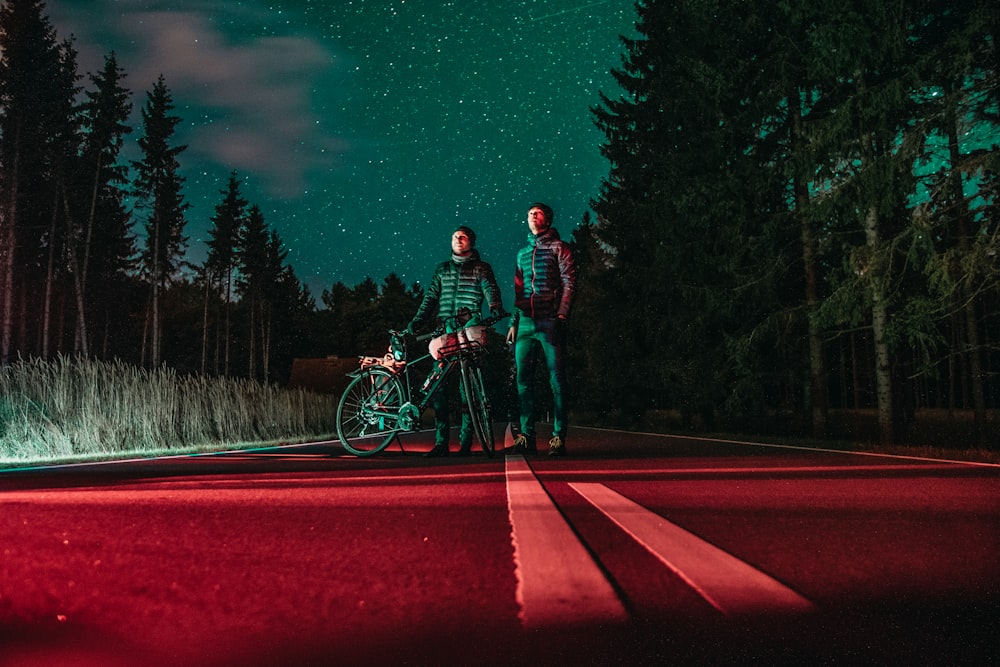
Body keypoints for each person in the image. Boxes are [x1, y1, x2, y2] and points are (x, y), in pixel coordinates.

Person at [407, 226, 504, 457]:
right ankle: (441, 443)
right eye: (454, 237)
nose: (458, 240)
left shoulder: (482, 268)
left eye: (463, 237)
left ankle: (465, 443)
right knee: (438, 389)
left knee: (467, 390)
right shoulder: (442, 269)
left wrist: (495, 307)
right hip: (445, 331)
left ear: (472, 241)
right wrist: (417, 321)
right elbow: (430, 297)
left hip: (468, 331)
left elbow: (490, 288)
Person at [505, 203, 576, 457]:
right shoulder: (522, 253)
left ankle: (558, 437)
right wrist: (513, 322)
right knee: (523, 381)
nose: (532, 216)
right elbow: (519, 290)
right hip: (525, 323)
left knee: (556, 380)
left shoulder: (561, 248)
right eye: (529, 213)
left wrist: (561, 315)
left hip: (549, 321)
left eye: (537, 212)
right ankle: (526, 437)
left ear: (548, 218)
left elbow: (569, 282)